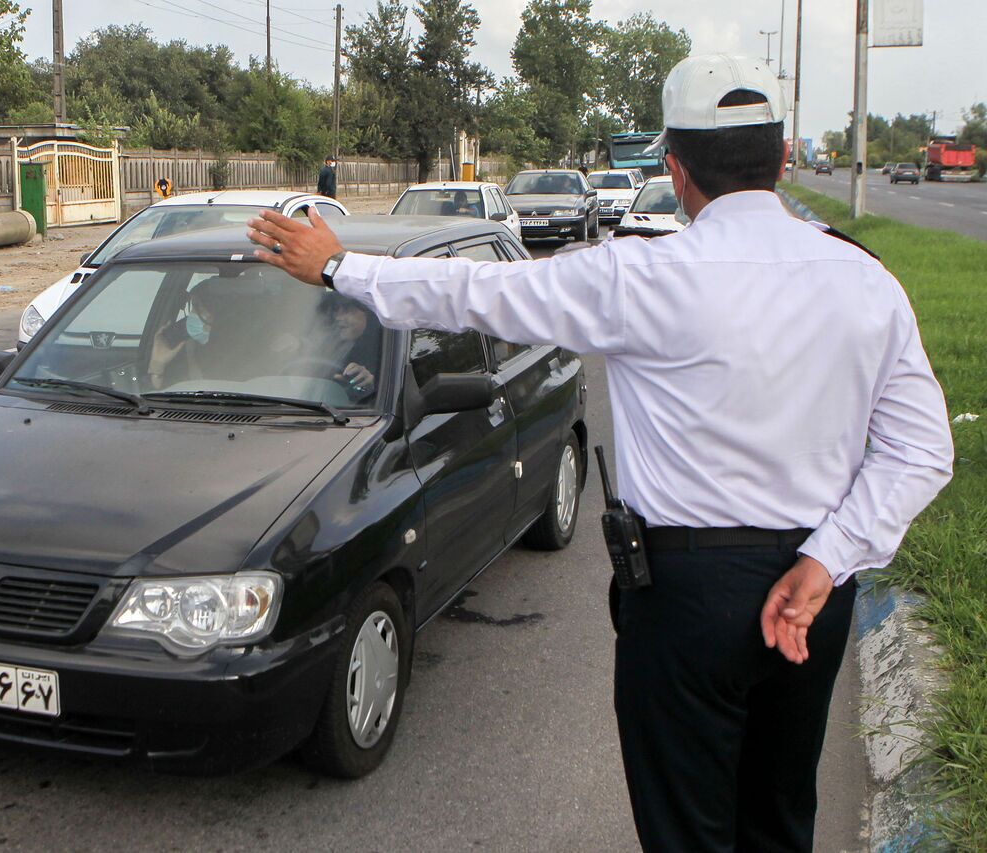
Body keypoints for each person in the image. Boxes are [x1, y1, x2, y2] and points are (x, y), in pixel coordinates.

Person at [246, 54, 954, 852]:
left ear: (675, 168)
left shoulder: (643, 276)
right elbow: (923, 449)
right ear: (784, 157)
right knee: (781, 816)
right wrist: (828, 558)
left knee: (687, 831)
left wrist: (338, 265)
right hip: (812, 595)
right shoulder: (865, 280)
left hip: (685, 602)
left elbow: (479, 294)